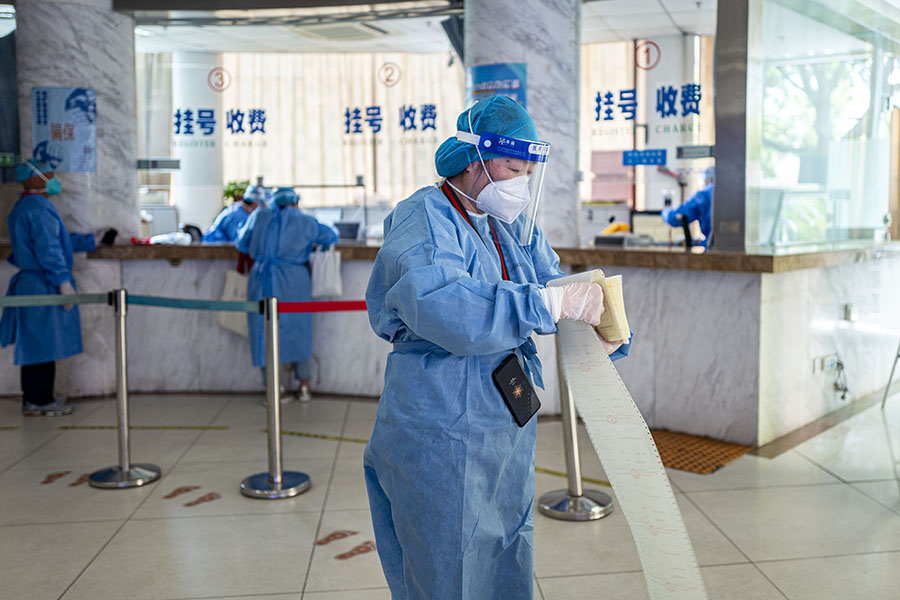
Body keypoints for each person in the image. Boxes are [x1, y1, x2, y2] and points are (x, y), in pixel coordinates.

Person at [363, 95, 633, 599]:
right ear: (473, 160)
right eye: (512, 167)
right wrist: (549, 306)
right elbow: (444, 304)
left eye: (528, 170)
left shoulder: (506, 224)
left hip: (501, 414)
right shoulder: (424, 217)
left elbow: (547, 281)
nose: (520, 183)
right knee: (446, 553)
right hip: (441, 413)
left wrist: (598, 315)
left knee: (505, 538)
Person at [0, 160, 97, 416]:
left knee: (39, 344)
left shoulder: (27, 207)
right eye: (49, 175)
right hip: (43, 284)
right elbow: (49, 250)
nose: (54, 180)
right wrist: (63, 282)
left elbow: (57, 240)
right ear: (34, 180)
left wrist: (92, 241)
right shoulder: (38, 209)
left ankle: (39, 397)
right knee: (42, 345)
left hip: (34, 282)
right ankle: (38, 400)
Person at [236, 186, 338, 402]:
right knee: (298, 330)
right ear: (295, 202)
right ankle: (304, 386)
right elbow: (331, 236)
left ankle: (274, 389)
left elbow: (242, 243)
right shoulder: (306, 221)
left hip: (261, 278)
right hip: (294, 280)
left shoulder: (259, 215)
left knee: (263, 331)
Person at [661, 165, 714, 248]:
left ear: (709, 179)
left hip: (714, 252)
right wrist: (701, 242)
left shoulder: (704, 194)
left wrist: (665, 211)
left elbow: (674, 219)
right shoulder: (738, 193)